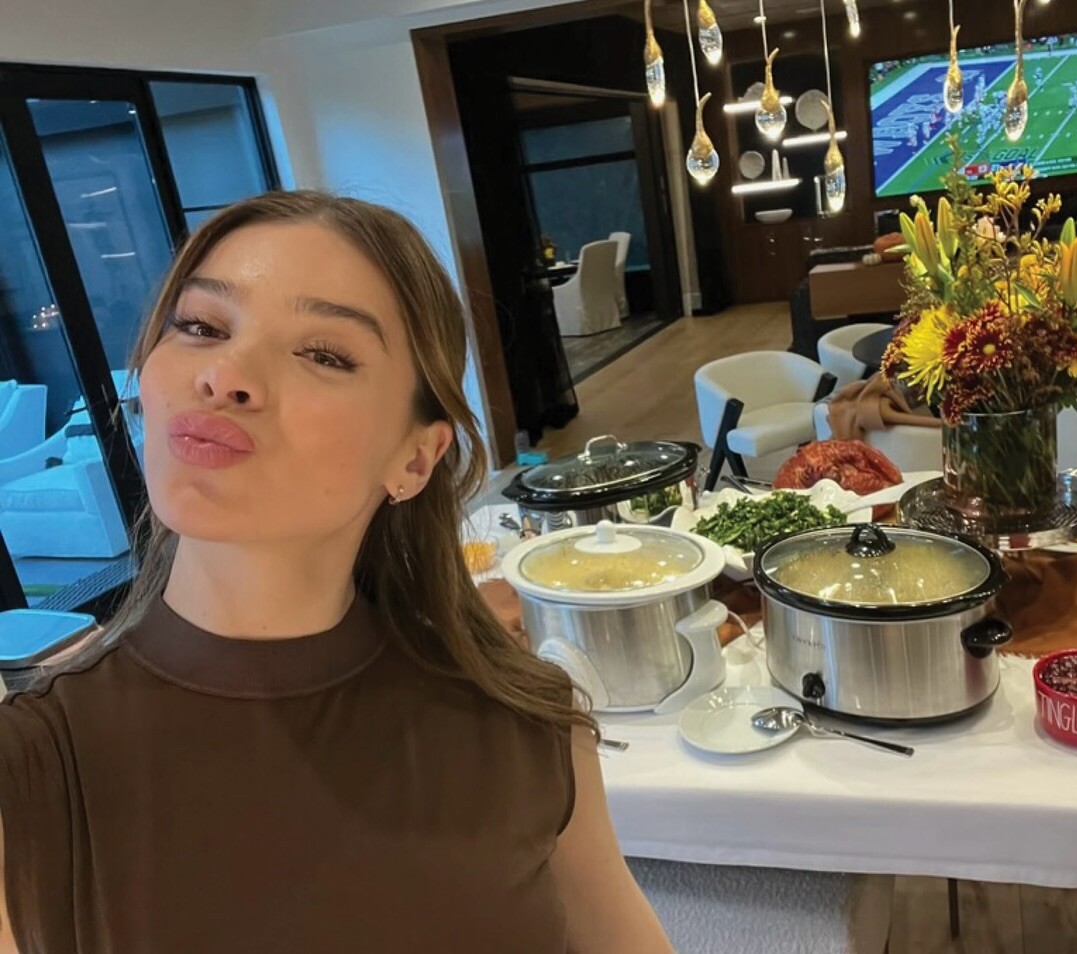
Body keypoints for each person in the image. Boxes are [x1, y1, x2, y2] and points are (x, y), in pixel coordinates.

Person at [0, 191, 674, 954]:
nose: (225, 373)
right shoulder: (31, 777)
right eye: (202, 326)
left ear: (415, 458)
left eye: (323, 354)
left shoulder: (526, 723)